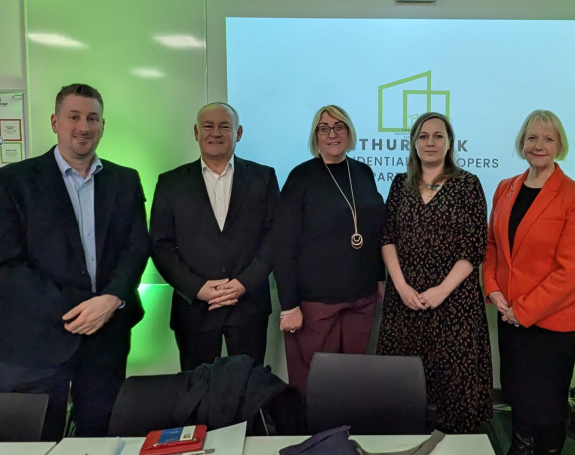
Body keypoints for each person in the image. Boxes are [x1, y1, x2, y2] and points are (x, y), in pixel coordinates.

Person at [0, 83, 149, 439]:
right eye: (74, 117)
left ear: (102, 125)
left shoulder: (124, 180)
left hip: (107, 335)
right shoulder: (13, 181)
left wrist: (111, 299)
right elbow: (7, 263)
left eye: (92, 118)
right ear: (55, 122)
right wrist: (81, 309)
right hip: (37, 339)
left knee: (99, 433)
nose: (84, 126)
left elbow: (136, 247)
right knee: (35, 438)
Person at [483, 110, 575, 454]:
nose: (539, 145)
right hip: (509, 316)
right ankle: (520, 447)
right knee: (517, 395)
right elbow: (492, 247)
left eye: (548, 139)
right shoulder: (505, 188)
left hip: (552, 323)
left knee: (547, 407)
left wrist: (524, 309)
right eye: (532, 138)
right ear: (522, 143)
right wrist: (492, 288)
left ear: (559, 145)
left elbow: (574, 270)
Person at [376, 112, 492, 434]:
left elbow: (474, 247)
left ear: (450, 142)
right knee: (402, 389)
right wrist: (400, 287)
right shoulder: (401, 183)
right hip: (406, 300)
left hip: (454, 301)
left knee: (454, 388)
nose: (430, 142)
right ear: (414, 142)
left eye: (438, 136)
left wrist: (442, 290)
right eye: (423, 136)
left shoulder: (468, 184)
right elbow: (387, 238)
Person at [150, 102, 279, 371]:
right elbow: (161, 246)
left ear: (239, 132)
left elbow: (274, 237)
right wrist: (198, 288)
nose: (216, 132)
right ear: (196, 132)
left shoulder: (263, 178)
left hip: (248, 307)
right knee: (197, 394)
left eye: (225, 126)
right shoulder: (170, 183)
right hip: (194, 309)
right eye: (208, 126)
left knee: (250, 391)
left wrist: (244, 283)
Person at [273, 105, 386, 397]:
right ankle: (315, 441)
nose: (332, 134)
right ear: (316, 136)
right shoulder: (301, 177)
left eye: (339, 127)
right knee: (314, 385)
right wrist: (288, 306)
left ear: (349, 132)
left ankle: (348, 438)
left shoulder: (363, 172)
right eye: (324, 128)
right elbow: (282, 245)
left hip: (361, 300)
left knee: (353, 381)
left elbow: (372, 233)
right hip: (315, 304)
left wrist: (380, 278)